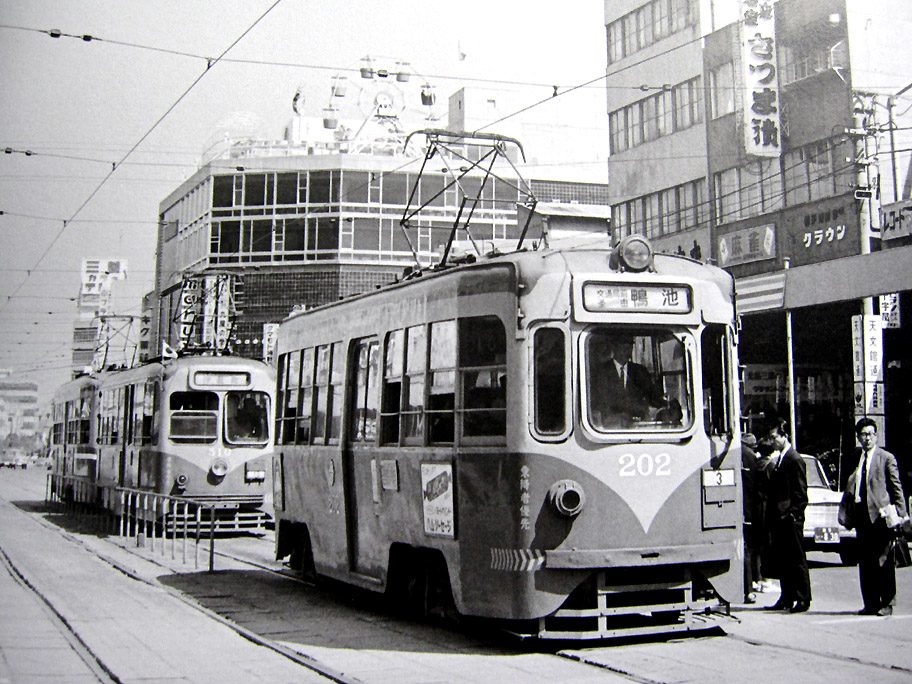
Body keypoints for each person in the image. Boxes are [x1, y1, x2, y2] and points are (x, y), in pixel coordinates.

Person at [841, 417, 908, 616]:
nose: (867, 438)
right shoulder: (856, 457)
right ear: (858, 437)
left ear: (876, 436)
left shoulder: (886, 458)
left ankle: (887, 602)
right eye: (863, 435)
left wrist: (901, 514)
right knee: (866, 562)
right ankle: (870, 602)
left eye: (870, 434)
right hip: (862, 516)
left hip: (881, 517)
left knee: (884, 561)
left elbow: (896, 487)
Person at [764, 418, 811, 613]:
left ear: (784, 437)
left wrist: (794, 514)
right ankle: (787, 596)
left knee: (797, 559)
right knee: (784, 560)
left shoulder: (794, 459)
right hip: (780, 518)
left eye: (775, 437)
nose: (772, 441)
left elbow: (800, 492)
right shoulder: (780, 459)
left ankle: (802, 597)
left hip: (790, 519)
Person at [590, 333, 665, 427]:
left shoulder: (640, 371)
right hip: (609, 426)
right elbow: (596, 401)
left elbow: (653, 397)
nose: (627, 351)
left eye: (630, 347)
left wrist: (664, 405)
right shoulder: (600, 371)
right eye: (623, 347)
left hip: (636, 425)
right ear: (614, 348)